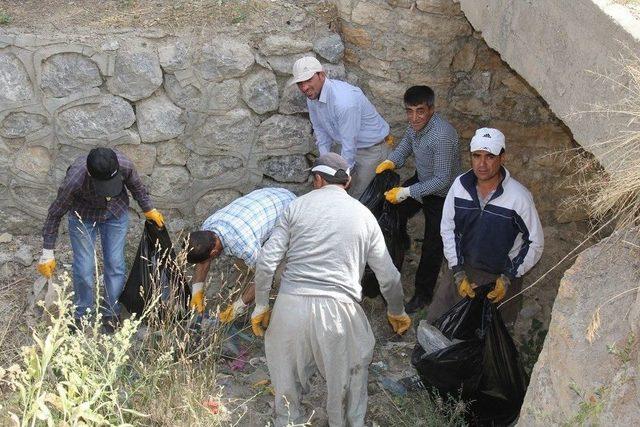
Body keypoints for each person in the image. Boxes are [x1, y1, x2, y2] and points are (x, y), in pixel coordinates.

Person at [250, 153, 411, 427]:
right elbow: (389, 276)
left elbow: (267, 262)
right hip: (339, 313)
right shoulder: (364, 216)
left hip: (291, 308)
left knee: (286, 399)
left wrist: (262, 305)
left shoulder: (295, 208)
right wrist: (397, 310)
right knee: (347, 392)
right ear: (346, 183)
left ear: (318, 179)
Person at [37, 147, 164, 331]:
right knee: (84, 267)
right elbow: (55, 213)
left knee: (115, 264)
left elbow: (137, 188)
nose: (107, 192)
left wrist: (148, 208)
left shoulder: (125, 164)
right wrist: (47, 251)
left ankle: (111, 312)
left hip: (116, 214)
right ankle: (83, 314)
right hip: (83, 216)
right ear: (90, 173)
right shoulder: (75, 179)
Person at [440, 127, 544, 327]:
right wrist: (457, 271)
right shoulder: (459, 187)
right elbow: (448, 229)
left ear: (502, 158)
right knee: (441, 325)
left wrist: (507, 277)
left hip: (500, 277)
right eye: (476, 156)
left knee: (489, 338)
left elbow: (535, 242)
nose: (482, 164)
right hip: (462, 268)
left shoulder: (518, 197)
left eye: (490, 156)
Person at [375, 85, 461, 313]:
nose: (414, 117)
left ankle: (423, 295)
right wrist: (391, 161)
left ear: (431, 109)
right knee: (392, 211)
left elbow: (442, 179)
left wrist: (406, 192)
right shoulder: (416, 126)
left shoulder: (442, 135)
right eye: (409, 111)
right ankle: (400, 246)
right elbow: (405, 145)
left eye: (420, 111)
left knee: (433, 245)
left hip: (441, 194)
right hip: (422, 179)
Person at [184, 187, 296, 320]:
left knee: (276, 275)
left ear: (214, 252)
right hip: (272, 195)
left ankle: (273, 314)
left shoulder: (244, 246)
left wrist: (238, 308)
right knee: (247, 265)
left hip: (291, 211)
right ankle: (249, 296)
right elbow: (203, 262)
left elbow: (265, 276)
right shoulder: (208, 227)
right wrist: (197, 291)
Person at [289, 56, 393, 199]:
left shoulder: (344, 102)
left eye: (308, 80)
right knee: (334, 193)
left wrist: (342, 177)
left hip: (371, 150)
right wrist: (325, 165)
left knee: (356, 200)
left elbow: (350, 144)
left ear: (321, 75)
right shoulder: (312, 97)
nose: (304, 87)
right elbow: (320, 132)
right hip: (344, 145)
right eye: (300, 83)